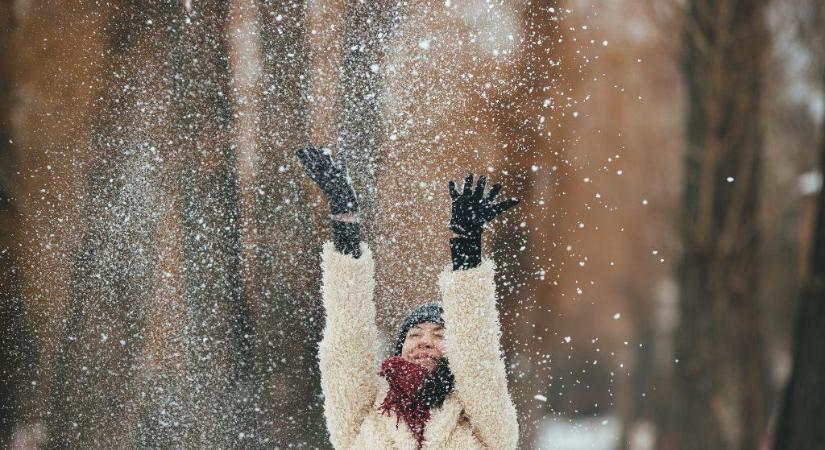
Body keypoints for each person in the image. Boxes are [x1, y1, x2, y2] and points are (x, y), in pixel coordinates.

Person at [297, 145, 519, 450]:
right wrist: (345, 223)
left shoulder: (480, 422)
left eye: (440, 335)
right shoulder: (364, 412)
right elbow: (348, 339)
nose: (424, 341)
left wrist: (467, 252)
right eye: (414, 334)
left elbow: (477, 354)